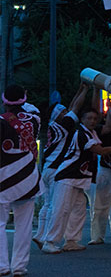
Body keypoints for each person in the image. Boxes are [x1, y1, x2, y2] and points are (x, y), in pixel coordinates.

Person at [42, 84, 111, 254]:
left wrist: (93, 90)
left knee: (78, 209)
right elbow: (99, 150)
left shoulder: (89, 132)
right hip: (67, 176)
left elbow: (96, 118)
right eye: (88, 119)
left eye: (94, 119)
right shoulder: (79, 132)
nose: (92, 121)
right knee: (60, 209)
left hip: (77, 176)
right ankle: (49, 241)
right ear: (81, 120)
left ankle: (71, 240)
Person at [1, 85, 42, 277]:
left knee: (0, 224)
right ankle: (19, 267)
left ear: (4, 101)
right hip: (28, 179)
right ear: (24, 100)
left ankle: (2, 266)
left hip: (4, 179)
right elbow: (31, 110)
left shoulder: (1, 121)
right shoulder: (35, 119)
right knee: (23, 225)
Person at [33, 101, 71, 247]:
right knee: (54, 205)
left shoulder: (50, 127)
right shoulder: (62, 128)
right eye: (62, 111)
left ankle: (39, 233)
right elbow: (74, 109)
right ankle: (47, 236)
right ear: (56, 114)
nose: (66, 113)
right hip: (56, 169)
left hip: (47, 168)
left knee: (47, 204)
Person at [89, 105, 111, 245]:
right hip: (105, 169)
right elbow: (107, 129)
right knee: (100, 205)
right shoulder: (102, 130)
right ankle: (97, 236)